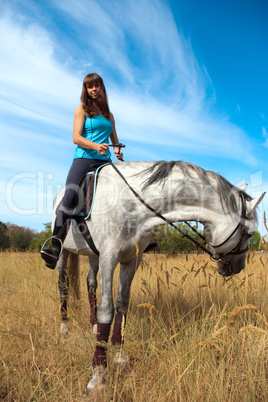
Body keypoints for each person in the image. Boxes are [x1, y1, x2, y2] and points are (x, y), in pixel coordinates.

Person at [41, 73, 123, 269]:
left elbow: (115, 140)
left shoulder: (109, 116)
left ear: (102, 88)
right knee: (69, 196)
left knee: (127, 190)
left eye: (97, 86)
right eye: (90, 87)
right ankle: (55, 245)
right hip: (84, 159)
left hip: (105, 161)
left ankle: (142, 238)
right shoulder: (82, 110)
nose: (94, 89)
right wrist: (96, 147)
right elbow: (76, 138)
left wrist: (117, 148)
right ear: (86, 90)